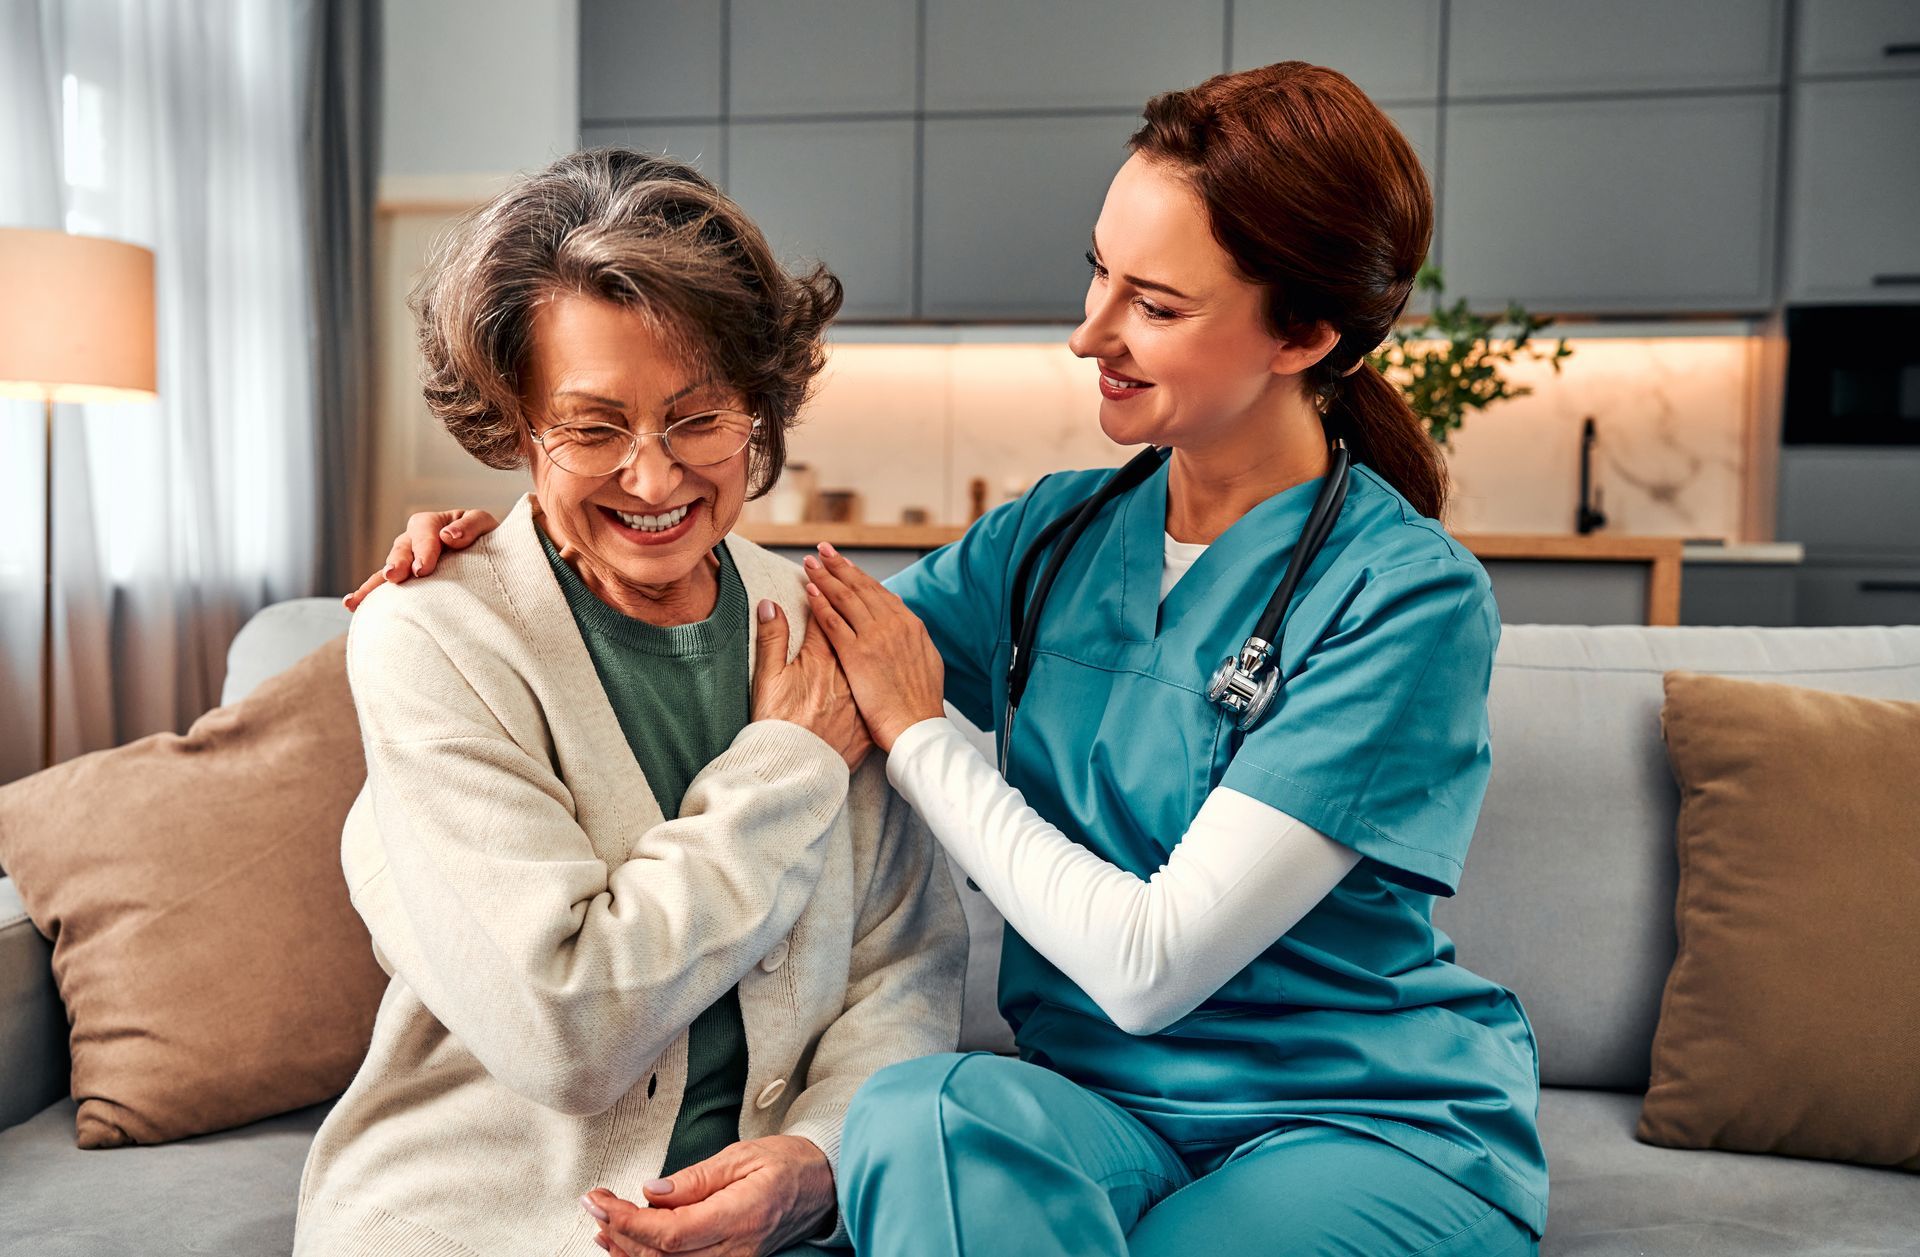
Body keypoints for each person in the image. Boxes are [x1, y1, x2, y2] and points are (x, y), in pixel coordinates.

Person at [360, 62, 1548, 1256]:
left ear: (1304, 332)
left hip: (1353, 1124)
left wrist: (926, 740)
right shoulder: (1051, 542)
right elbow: (781, 624)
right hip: (1102, 1115)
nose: (1090, 331)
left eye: (1156, 305)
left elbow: (1147, 966)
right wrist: (493, 563)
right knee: (917, 1117)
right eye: (1098, 271)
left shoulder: (1405, 601)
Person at [299, 149, 966, 1257]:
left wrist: (820, 1159)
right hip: (484, 1229)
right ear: (516, 426)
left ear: (759, 407)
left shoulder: (823, 626)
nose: (654, 481)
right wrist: (788, 767)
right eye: (594, 429)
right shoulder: (436, 634)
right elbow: (567, 1028)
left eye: (699, 420)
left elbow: (906, 964)